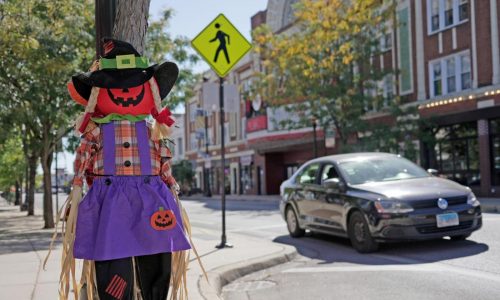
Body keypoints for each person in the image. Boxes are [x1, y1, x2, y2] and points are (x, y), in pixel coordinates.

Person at [56, 38, 191, 300]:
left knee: (156, 254)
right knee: (112, 257)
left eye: (132, 85)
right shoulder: (96, 131)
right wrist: (76, 189)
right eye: (115, 86)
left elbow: (163, 162)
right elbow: (82, 161)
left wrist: (170, 184)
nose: (126, 92)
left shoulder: (153, 130)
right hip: (110, 201)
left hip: (151, 198)